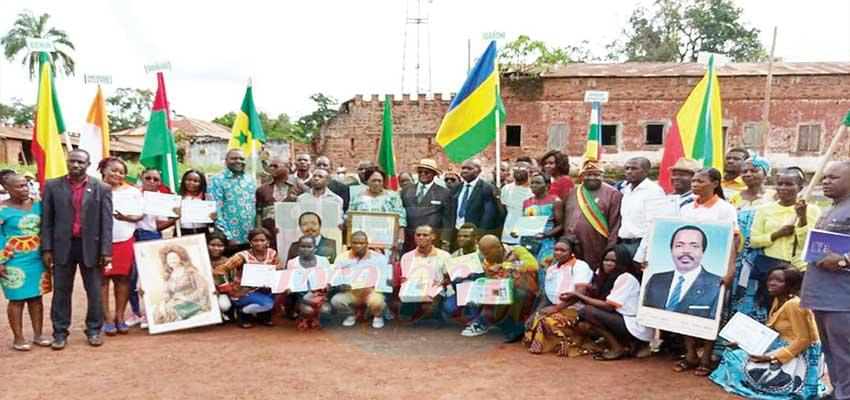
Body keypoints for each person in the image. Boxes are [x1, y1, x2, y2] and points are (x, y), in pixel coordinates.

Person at [711, 264, 826, 399]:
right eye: (770, 279)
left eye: (779, 281)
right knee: (733, 353)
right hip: (783, 345)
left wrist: (773, 358)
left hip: (798, 354)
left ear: (791, 285)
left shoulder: (793, 305)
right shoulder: (779, 299)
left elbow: (804, 340)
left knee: (737, 360)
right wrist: (743, 343)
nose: (771, 283)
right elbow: (769, 330)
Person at [669, 167, 738, 376]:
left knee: (709, 312)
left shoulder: (725, 209)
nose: (695, 184)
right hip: (689, 267)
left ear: (715, 183)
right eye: (694, 181)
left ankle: (706, 357)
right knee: (686, 309)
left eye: (700, 181)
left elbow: (732, 240)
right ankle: (690, 354)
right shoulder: (687, 209)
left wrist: (730, 269)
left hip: (715, 268)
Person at [42, 149, 113, 350]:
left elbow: (106, 222)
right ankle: (60, 333)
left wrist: (106, 250)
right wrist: (47, 248)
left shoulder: (101, 188)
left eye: (80, 162)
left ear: (88, 164)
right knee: (62, 292)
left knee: (94, 292)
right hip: (62, 246)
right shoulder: (52, 186)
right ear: (67, 162)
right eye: (72, 161)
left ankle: (93, 331)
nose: (75, 165)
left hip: (91, 247)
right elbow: (47, 221)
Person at [801, 161, 850, 399]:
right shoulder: (832, 208)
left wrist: (844, 260)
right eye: (825, 178)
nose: (825, 182)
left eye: (833, 178)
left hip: (842, 298)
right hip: (822, 295)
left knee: (845, 353)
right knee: (831, 351)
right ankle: (839, 390)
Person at [572, 245, 655, 360]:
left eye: (613, 261)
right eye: (606, 260)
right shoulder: (605, 277)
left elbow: (608, 305)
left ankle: (617, 348)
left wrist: (578, 295)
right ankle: (624, 344)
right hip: (621, 319)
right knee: (585, 321)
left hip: (632, 323)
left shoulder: (626, 278)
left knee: (586, 311)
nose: (608, 264)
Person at [0, 173, 52, 350]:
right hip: (12, 260)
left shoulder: (38, 204)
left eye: (25, 185)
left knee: (36, 298)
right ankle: (19, 338)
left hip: (37, 257)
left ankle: (38, 335)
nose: (24, 189)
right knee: (17, 300)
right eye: (18, 186)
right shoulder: (2, 209)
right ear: (7, 189)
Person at [524, 236, 594, 356]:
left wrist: (557, 308)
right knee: (535, 320)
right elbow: (547, 295)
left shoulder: (580, 266)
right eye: (556, 249)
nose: (558, 253)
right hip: (556, 307)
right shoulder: (552, 269)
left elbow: (579, 294)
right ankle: (554, 343)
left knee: (545, 322)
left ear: (572, 251)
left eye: (563, 250)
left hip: (575, 309)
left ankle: (569, 341)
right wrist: (535, 313)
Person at [460, 235, 538, 342]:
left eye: (486, 253)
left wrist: (504, 265)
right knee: (471, 284)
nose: (484, 255)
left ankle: (513, 327)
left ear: (498, 247)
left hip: (522, 290)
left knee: (519, 294)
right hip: (499, 291)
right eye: (482, 252)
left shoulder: (518, 250)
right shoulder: (484, 258)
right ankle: (483, 321)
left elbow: (533, 265)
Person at [99, 158, 143, 336]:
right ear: (103, 170)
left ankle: (120, 316)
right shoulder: (94, 189)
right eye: (113, 170)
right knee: (102, 280)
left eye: (121, 172)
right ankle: (106, 318)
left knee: (123, 279)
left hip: (124, 239)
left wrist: (126, 217)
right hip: (100, 242)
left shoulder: (133, 192)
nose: (117, 174)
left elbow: (140, 214)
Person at [642, 225, 722, 318]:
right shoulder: (656, 280)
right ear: (671, 250)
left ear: (703, 251)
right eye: (679, 245)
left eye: (694, 246)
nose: (686, 251)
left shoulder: (717, 284)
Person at [633, 157, 700, 266]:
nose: (676, 178)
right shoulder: (663, 201)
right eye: (674, 174)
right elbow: (650, 229)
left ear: (694, 178)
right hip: (659, 254)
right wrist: (641, 255)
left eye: (683, 175)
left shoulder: (698, 203)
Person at [750, 167, 820, 271]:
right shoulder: (764, 210)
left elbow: (809, 245)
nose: (783, 188)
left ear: (800, 188)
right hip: (771, 268)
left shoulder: (811, 210)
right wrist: (776, 234)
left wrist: (802, 218)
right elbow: (754, 241)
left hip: (799, 268)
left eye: (789, 184)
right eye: (780, 184)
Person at [215, 228, 281, 328]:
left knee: (281, 297)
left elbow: (278, 270)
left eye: (262, 240)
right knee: (268, 304)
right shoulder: (242, 256)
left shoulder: (272, 254)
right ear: (250, 242)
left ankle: (263, 315)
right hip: (243, 292)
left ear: (268, 241)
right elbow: (220, 270)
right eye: (255, 240)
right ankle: (243, 312)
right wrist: (227, 287)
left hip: (265, 289)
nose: (259, 243)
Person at [563, 160, 622, 270]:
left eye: (596, 174)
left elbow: (615, 223)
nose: (591, 177)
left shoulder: (613, 194)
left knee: (595, 272)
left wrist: (610, 247)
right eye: (588, 174)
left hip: (598, 242)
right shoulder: (573, 192)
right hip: (573, 242)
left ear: (602, 176)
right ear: (582, 176)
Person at [331, 231, 387, 329]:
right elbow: (335, 278)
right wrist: (340, 286)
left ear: (367, 244)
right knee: (336, 301)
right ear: (350, 243)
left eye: (362, 243)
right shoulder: (342, 258)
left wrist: (376, 285)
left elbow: (384, 278)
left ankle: (377, 316)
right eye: (355, 243)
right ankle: (351, 314)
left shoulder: (379, 258)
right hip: (351, 291)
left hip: (370, 291)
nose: (358, 246)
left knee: (377, 301)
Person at [397, 225, 451, 322]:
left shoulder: (445, 256)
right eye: (418, 235)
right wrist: (404, 281)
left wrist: (441, 283)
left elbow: (449, 279)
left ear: (433, 236)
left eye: (425, 235)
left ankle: (435, 311)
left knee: (429, 310)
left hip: (434, 291)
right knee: (404, 315)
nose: (421, 237)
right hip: (413, 291)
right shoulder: (407, 257)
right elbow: (405, 278)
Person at [348, 166, 406, 254]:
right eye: (373, 180)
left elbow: (401, 219)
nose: (376, 183)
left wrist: (400, 239)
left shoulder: (393, 197)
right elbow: (350, 217)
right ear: (367, 181)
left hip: (387, 242)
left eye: (379, 181)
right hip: (363, 243)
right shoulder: (357, 197)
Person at [209, 149, 257, 254]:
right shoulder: (217, 180)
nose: (238, 161)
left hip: (249, 238)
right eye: (234, 158)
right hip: (230, 239)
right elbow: (216, 210)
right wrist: (228, 236)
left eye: (241, 159)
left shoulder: (250, 179)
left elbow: (254, 207)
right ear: (226, 161)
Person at [401, 159, 453, 252]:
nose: (423, 174)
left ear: (434, 174)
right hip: (409, 239)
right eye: (420, 172)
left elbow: (448, 218)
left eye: (427, 172)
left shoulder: (444, 193)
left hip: (432, 240)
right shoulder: (406, 190)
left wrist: (445, 239)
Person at [618, 157, 665, 257]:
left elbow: (653, 225)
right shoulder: (626, 190)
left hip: (640, 245)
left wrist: (641, 253)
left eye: (634, 168)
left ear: (646, 171)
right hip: (623, 243)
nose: (629, 172)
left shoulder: (654, 191)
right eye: (627, 168)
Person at [153, 245, 213, 324]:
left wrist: (186, 298)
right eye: (169, 259)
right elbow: (166, 293)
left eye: (174, 258)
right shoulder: (168, 275)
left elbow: (202, 288)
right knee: (158, 312)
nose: (171, 261)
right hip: (175, 301)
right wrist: (163, 303)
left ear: (181, 258)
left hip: (192, 301)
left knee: (171, 311)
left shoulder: (190, 271)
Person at [518, 173, 563, 275]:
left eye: (537, 183)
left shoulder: (555, 201)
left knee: (543, 270)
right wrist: (517, 231)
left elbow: (561, 225)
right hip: (527, 241)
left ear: (547, 185)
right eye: (532, 183)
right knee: (527, 272)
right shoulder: (527, 202)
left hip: (546, 242)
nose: (533, 185)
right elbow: (524, 222)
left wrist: (546, 235)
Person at [285, 235, 333, 330]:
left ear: (315, 248)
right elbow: (288, 281)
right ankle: (304, 318)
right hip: (301, 297)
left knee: (326, 310)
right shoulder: (292, 263)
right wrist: (289, 288)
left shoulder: (323, 261)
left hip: (319, 296)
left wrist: (328, 285)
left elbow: (330, 278)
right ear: (298, 248)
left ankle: (315, 318)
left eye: (309, 247)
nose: (305, 249)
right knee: (308, 310)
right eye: (303, 246)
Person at [255, 156, 305, 244]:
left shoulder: (299, 187)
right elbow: (258, 213)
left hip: (292, 235)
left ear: (287, 167)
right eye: (270, 166)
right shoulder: (262, 190)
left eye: (275, 166)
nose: (271, 168)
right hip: (269, 235)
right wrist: (260, 232)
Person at [452, 159, 501, 236]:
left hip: (475, 233)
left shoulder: (487, 188)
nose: (465, 171)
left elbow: (488, 215)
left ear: (479, 171)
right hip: (456, 231)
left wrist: (480, 234)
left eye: (469, 168)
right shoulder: (456, 188)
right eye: (463, 168)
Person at [496, 161, 532, 246]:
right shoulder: (506, 189)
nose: (519, 171)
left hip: (526, 232)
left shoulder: (532, 190)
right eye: (516, 169)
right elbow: (503, 211)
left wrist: (520, 229)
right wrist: (497, 198)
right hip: (508, 230)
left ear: (529, 172)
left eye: (523, 169)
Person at [177, 169, 216, 236]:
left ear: (201, 183)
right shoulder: (178, 197)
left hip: (202, 231)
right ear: (183, 181)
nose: (191, 183)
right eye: (188, 180)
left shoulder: (206, 198)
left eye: (196, 181)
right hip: (182, 231)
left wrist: (213, 217)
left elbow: (212, 222)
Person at [206, 230, 232, 321]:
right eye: (212, 245)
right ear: (207, 245)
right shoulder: (201, 258)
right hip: (203, 292)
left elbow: (229, 282)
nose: (216, 248)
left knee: (225, 305)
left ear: (225, 247)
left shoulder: (227, 262)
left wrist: (220, 290)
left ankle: (222, 313)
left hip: (220, 293)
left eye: (220, 246)